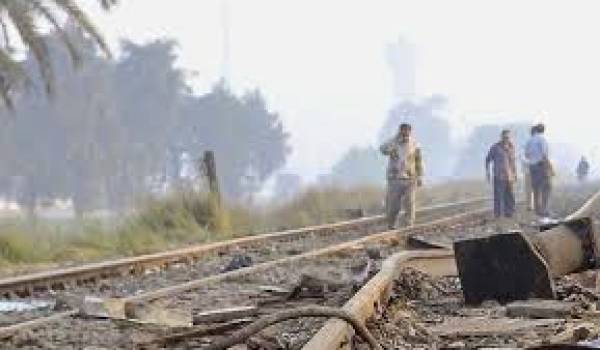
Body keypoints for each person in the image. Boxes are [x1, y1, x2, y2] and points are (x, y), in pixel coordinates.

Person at [380, 123, 424, 229]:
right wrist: (391, 148)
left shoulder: (415, 144)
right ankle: (391, 225)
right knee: (393, 205)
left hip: (410, 178)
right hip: (395, 178)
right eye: (403, 131)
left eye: (407, 132)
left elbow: (419, 161)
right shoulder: (393, 142)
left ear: (410, 132)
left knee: (410, 203)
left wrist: (420, 176)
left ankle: (408, 226)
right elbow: (382, 149)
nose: (405, 134)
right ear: (400, 131)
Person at [485, 129, 517, 218]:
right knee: (498, 196)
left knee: (510, 196)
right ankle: (497, 215)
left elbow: (513, 161)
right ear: (501, 137)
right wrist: (488, 172)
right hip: (499, 175)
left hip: (509, 176)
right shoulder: (495, 147)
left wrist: (515, 173)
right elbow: (488, 160)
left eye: (508, 137)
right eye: (505, 137)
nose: (506, 139)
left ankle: (509, 214)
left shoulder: (511, 147)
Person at [525, 123, 552, 218]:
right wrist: (549, 167)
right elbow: (544, 154)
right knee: (547, 187)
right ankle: (544, 209)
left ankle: (537, 210)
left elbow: (526, 155)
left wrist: (533, 157)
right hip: (541, 165)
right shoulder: (542, 139)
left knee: (536, 189)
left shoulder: (529, 141)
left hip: (532, 167)